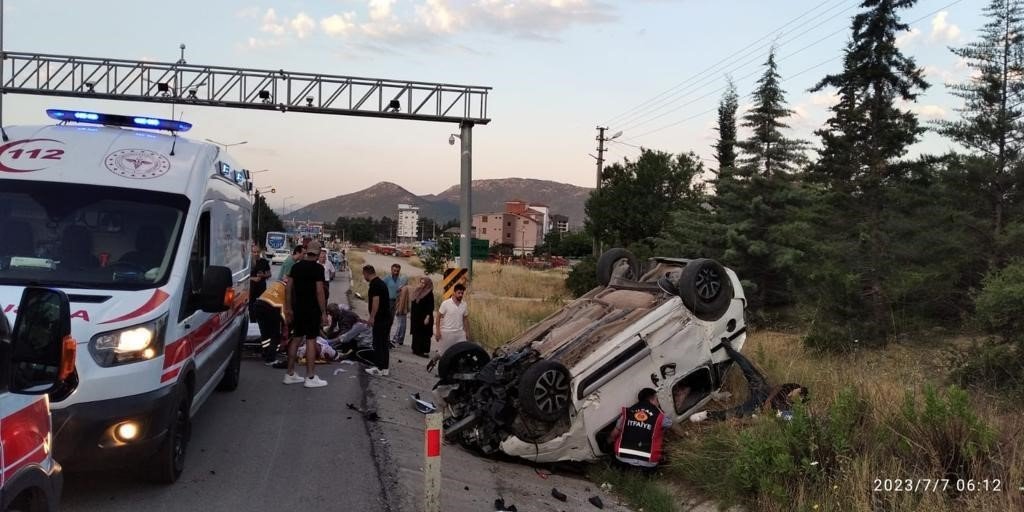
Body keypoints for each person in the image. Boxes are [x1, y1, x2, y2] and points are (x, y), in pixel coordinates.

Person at [689, 340, 808, 422]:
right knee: (747, 366)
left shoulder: (791, 413)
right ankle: (729, 348)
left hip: (759, 405)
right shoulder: (794, 386)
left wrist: (763, 410)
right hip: (763, 389)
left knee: (736, 412)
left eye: (795, 394)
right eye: (795, 390)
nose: (792, 392)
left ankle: (707, 415)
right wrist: (768, 400)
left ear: (799, 400)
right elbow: (778, 387)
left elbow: (772, 417)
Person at [284, 240, 329, 388]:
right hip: (311, 310)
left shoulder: (296, 267)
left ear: (307, 251)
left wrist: (289, 308)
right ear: (317, 254)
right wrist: (323, 312)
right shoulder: (318, 269)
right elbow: (319, 291)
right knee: (311, 340)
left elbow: (288, 289)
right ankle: (310, 377)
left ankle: (289, 374)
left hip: (298, 309)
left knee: (296, 338)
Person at [606, 388, 672, 470]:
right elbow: (670, 425)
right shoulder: (659, 415)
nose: (658, 402)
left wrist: (607, 445)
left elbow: (613, 435)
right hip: (648, 464)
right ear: (653, 398)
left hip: (622, 461)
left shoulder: (628, 413)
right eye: (657, 400)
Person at [363, 265, 392, 377]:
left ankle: (378, 367)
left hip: (380, 318)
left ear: (366, 273)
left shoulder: (375, 284)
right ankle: (385, 368)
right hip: (386, 317)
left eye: (364, 275)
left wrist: (372, 317)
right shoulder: (381, 283)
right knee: (384, 344)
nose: (364, 277)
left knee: (378, 343)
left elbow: (376, 301)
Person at [433, 283, 469, 361]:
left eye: (462, 293)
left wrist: (466, 332)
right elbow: (438, 317)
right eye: (459, 293)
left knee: (461, 352)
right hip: (447, 333)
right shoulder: (446, 303)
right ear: (454, 292)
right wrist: (438, 331)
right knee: (443, 354)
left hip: (459, 334)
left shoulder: (464, 305)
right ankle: (435, 360)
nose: (460, 295)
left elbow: (465, 319)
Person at [253, 279, 287, 364]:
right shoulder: (289, 288)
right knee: (275, 335)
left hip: (258, 305)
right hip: (272, 307)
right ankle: (270, 358)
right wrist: (285, 324)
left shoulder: (277, 283)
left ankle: (266, 353)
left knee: (265, 334)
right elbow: (287, 308)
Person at [408, 276, 434, 358]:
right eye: (421, 282)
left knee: (424, 334)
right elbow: (412, 299)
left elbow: (430, 307)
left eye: (424, 283)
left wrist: (427, 317)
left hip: (424, 317)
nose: (422, 284)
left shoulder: (429, 293)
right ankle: (415, 349)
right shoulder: (418, 290)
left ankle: (423, 351)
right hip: (416, 317)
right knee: (416, 333)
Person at [382, 263, 407, 335]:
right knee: (385, 320)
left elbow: (400, 290)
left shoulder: (400, 280)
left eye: (397, 271)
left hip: (395, 302)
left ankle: (387, 338)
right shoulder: (387, 278)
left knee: (391, 321)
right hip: (387, 301)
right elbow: (381, 288)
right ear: (391, 270)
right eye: (394, 270)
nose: (396, 272)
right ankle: (383, 338)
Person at [249, 243, 272, 313]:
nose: (256, 254)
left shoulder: (264, 262)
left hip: (261, 290)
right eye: (254, 252)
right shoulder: (247, 263)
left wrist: (263, 275)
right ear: (251, 252)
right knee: (251, 309)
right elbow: (242, 277)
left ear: (260, 252)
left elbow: (269, 274)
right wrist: (253, 279)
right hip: (250, 290)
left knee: (261, 309)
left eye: (257, 252)